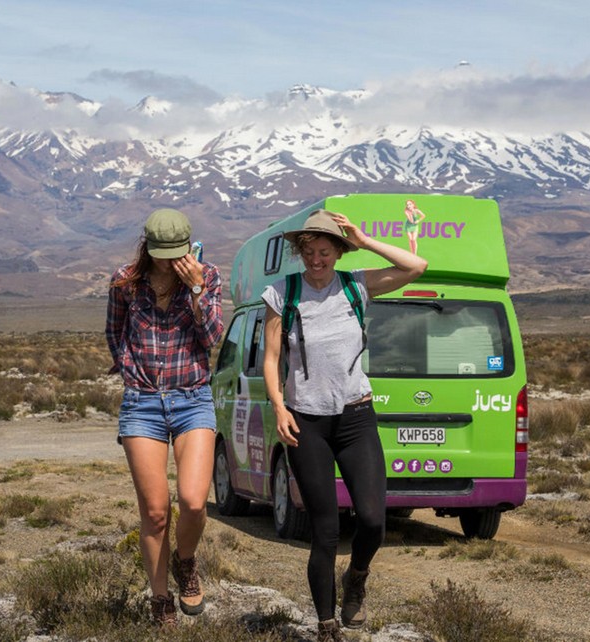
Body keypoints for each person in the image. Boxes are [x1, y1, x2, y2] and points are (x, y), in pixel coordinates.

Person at [261, 209, 427, 641]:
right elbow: (272, 359)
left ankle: (356, 578)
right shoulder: (282, 294)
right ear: (300, 253)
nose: (316, 260)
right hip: (306, 423)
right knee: (326, 531)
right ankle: (326, 625)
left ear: (338, 252)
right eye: (309, 252)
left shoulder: (356, 285)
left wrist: (364, 239)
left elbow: (416, 267)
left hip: (356, 417)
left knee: (372, 520)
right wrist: (279, 408)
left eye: (325, 251)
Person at [105, 208, 224, 627]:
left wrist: (196, 290)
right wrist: (128, 367)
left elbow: (212, 337)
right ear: (147, 247)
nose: (169, 261)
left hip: (193, 398)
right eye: (162, 254)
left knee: (193, 501)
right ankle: (160, 600)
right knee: (155, 512)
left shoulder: (208, 276)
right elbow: (114, 332)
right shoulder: (125, 281)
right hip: (142, 404)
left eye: (176, 253)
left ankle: (185, 560)